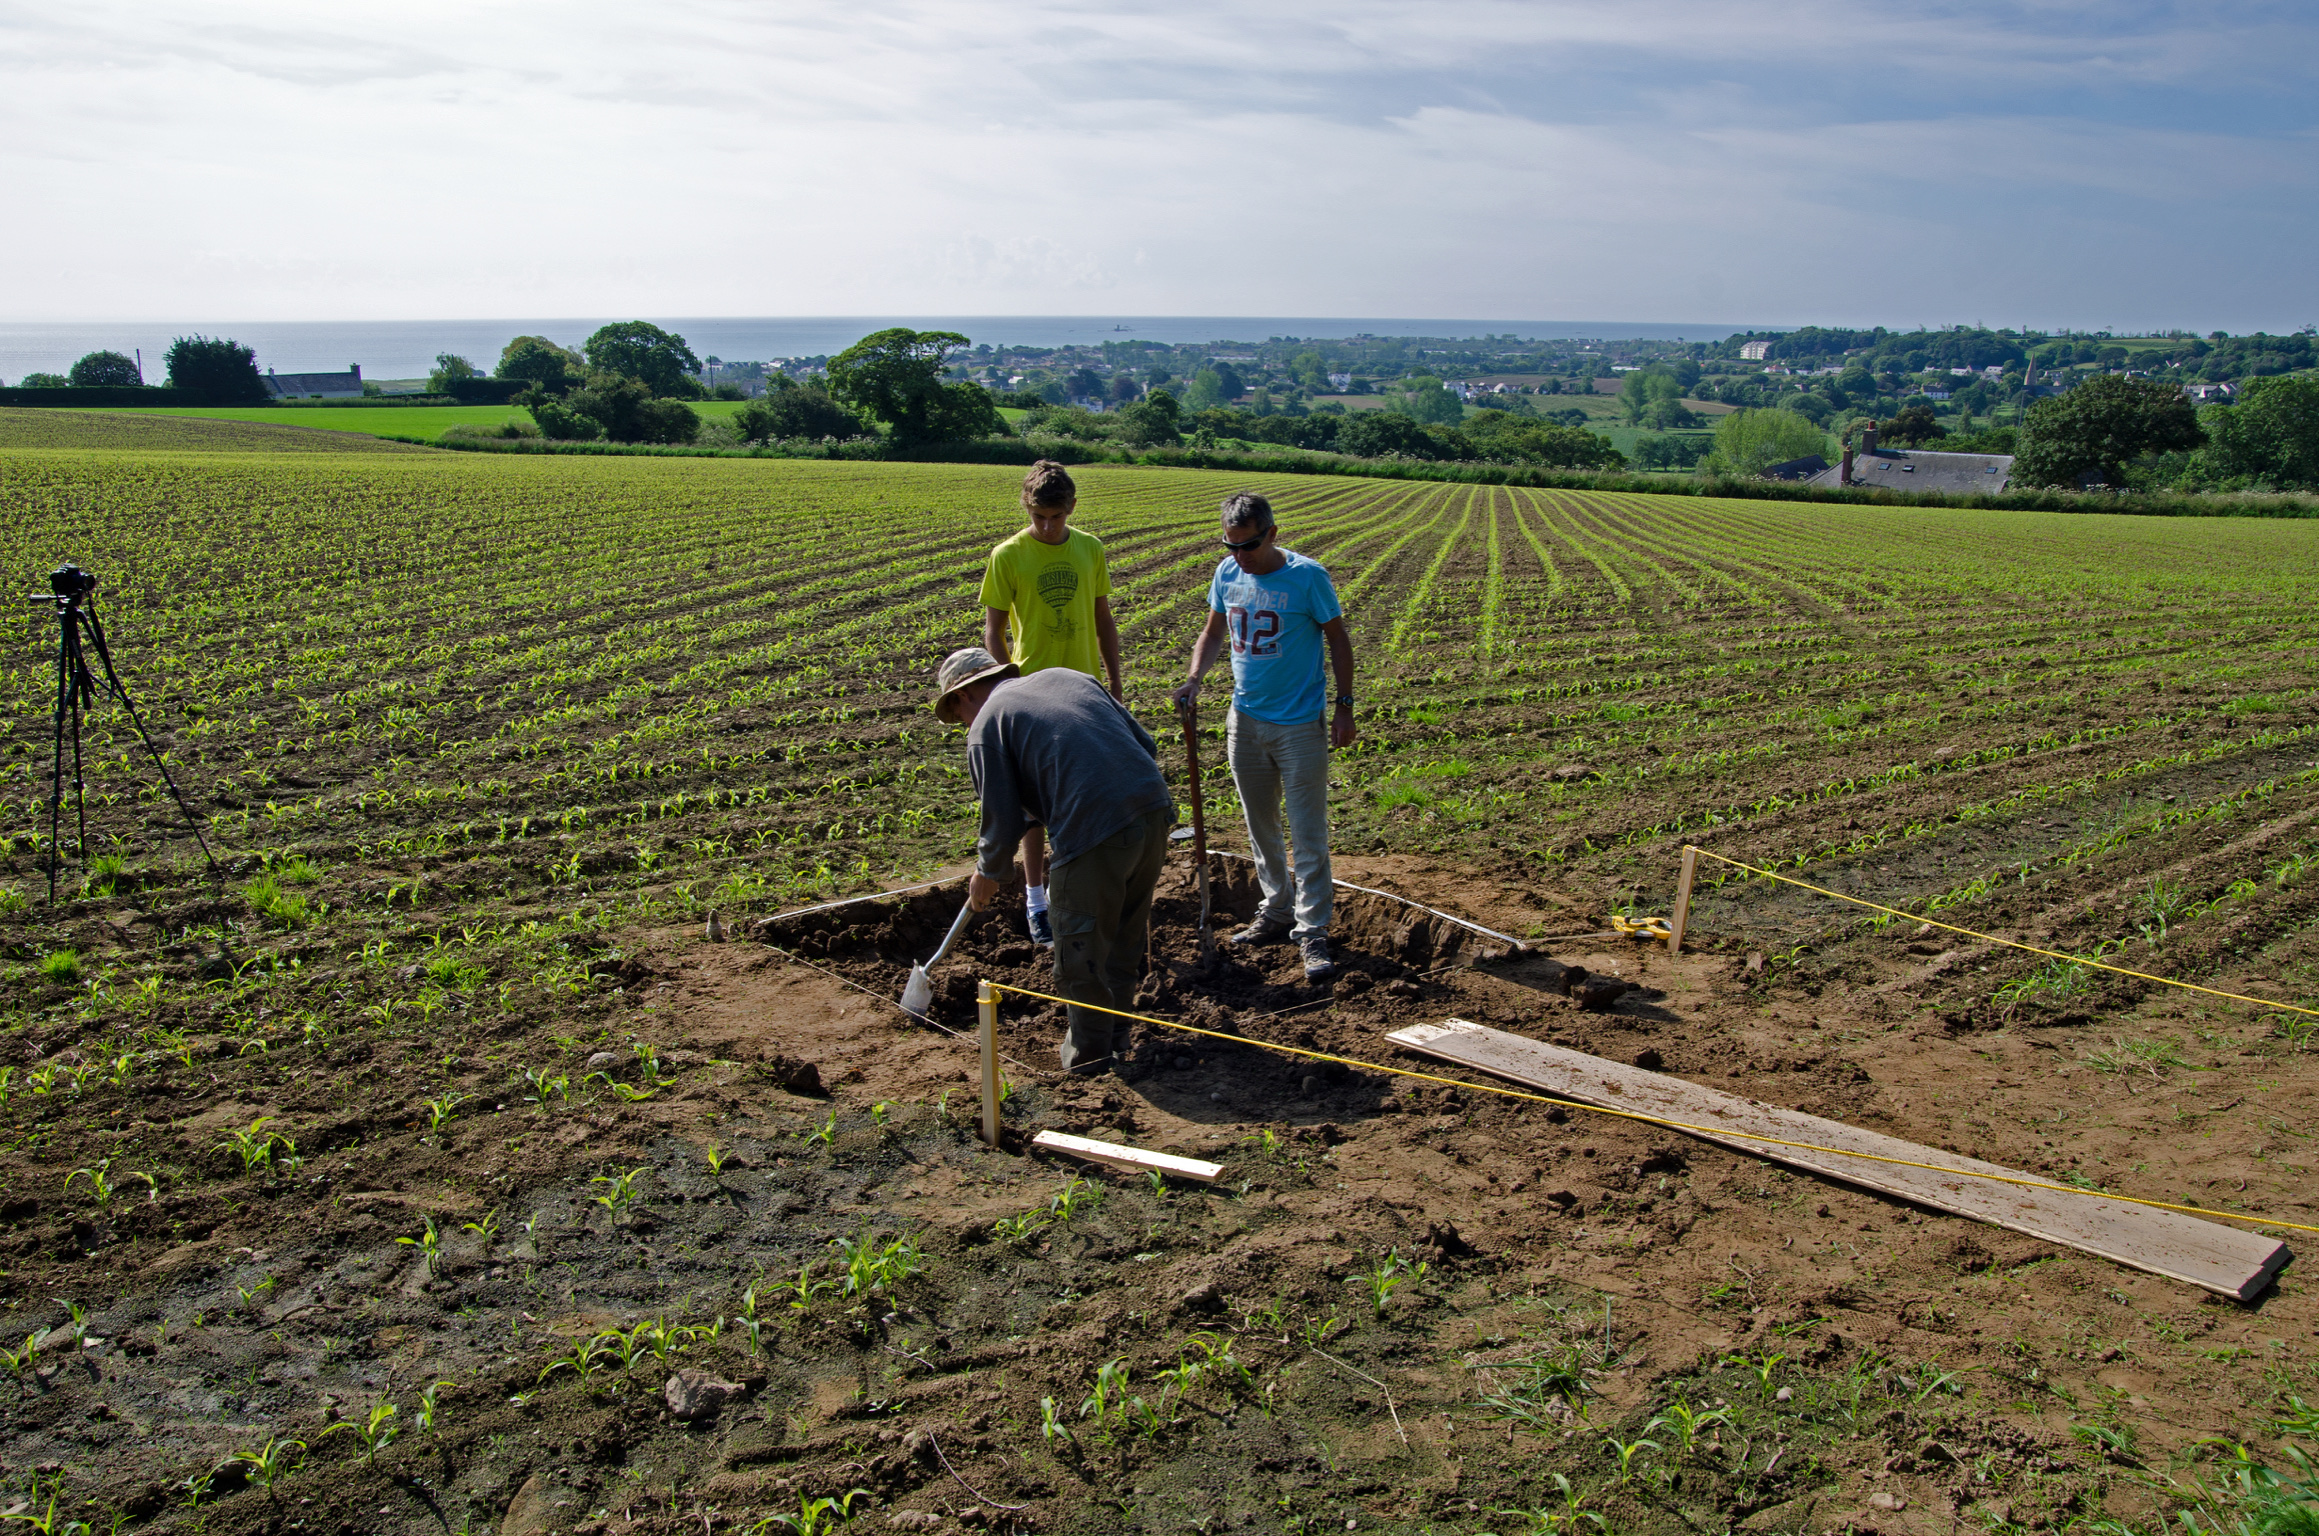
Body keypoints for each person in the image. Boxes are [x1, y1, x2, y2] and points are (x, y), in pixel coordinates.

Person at [933, 646, 1172, 1074]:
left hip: (1093, 830)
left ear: (962, 696)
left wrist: (988, 873)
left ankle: (1088, 1063)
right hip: (1153, 810)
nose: (962, 724)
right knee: (1122, 939)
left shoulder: (987, 722)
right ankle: (1118, 1040)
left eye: (957, 714)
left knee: (1079, 952)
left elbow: (1001, 818)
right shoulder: (1069, 676)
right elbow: (1144, 743)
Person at [1170, 491, 1356, 981]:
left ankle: (1312, 930)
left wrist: (1344, 707)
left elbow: (1338, 639)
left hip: (1299, 726)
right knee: (1260, 825)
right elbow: (1212, 634)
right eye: (1229, 546)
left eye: (1248, 546)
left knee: (1308, 833)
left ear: (1272, 534)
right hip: (1244, 720)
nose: (1239, 557)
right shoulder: (1227, 573)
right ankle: (1276, 909)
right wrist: (1194, 679)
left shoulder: (1307, 577)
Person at [978, 460, 1124, 949]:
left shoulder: (1090, 549)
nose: (1047, 526)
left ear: (1072, 509)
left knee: (1085, 797)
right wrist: (1007, 688)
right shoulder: (1008, 555)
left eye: (1056, 517)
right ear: (1027, 508)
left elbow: (1104, 619)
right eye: (1039, 516)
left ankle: (1082, 897)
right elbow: (994, 630)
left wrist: (1115, 685)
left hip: (1085, 690)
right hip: (1034, 693)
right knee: (1034, 806)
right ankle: (1036, 901)